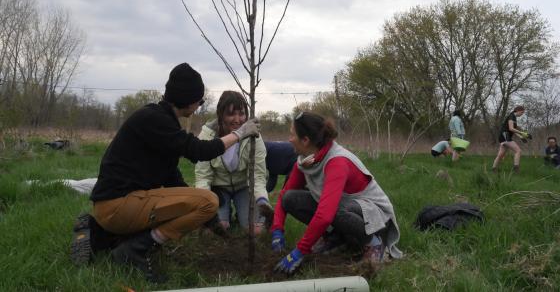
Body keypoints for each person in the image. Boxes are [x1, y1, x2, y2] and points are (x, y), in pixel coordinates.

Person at [71, 63, 261, 283]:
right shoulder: (154, 120)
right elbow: (200, 150)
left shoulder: (160, 120)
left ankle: (100, 236)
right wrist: (240, 133)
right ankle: (135, 249)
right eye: (199, 101)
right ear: (189, 101)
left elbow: (171, 176)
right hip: (118, 205)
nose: (199, 106)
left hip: (118, 204)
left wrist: (207, 218)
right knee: (209, 200)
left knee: (202, 203)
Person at [270, 112, 402, 275]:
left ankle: (374, 243)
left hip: (374, 215)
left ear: (305, 140)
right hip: (345, 208)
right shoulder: (305, 160)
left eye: (292, 134)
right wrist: (277, 230)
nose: (289, 139)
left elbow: (326, 214)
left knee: (333, 210)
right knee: (291, 199)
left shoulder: (337, 162)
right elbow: (284, 195)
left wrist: (300, 251)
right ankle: (336, 237)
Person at [195, 91, 272, 234]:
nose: (237, 120)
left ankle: (242, 215)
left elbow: (258, 176)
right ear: (220, 114)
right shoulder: (207, 136)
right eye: (231, 114)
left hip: (244, 187)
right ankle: (225, 214)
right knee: (215, 230)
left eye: (242, 114)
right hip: (219, 189)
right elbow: (203, 177)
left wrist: (262, 201)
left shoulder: (254, 136)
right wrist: (205, 207)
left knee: (256, 231)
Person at [492, 105, 526, 174]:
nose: (522, 114)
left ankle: (494, 169)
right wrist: (522, 132)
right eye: (522, 112)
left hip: (504, 136)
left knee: (501, 155)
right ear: (518, 111)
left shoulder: (514, 118)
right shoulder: (511, 116)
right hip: (505, 135)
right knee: (518, 151)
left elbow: (513, 130)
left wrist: (521, 137)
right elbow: (511, 128)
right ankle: (516, 168)